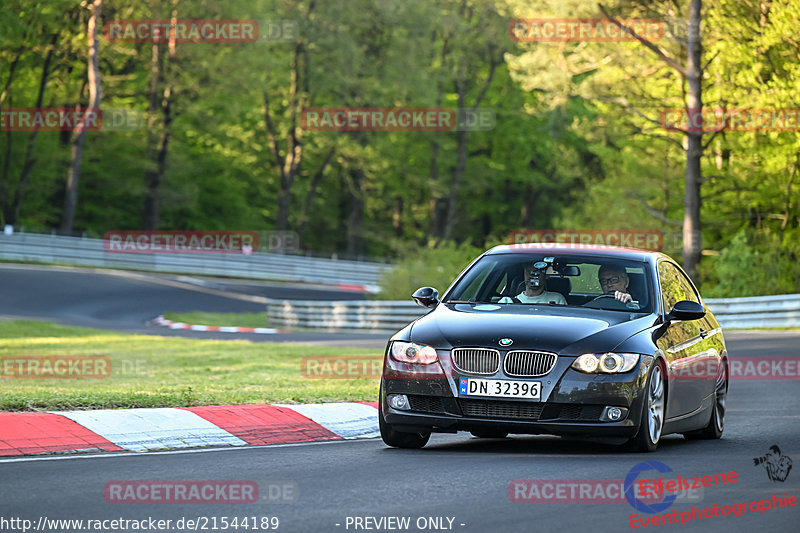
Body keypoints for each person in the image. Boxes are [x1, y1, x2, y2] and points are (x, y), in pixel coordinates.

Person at [499, 263, 566, 304]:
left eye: (537, 272)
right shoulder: (507, 302)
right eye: (529, 271)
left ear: (546, 275)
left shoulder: (557, 299)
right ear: (524, 273)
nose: (533, 276)